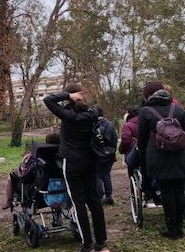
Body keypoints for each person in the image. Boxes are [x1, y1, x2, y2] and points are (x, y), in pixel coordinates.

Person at [43, 84, 109, 252]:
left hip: (72, 162)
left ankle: (87, 244)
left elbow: (48, 100)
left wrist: (66, 95)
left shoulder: (68, 116)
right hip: (89, 160)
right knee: (94, 200)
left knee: (78, 202)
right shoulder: (92, 114)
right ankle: (101, 242)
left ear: (71, 97)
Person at [138, 83, 185, 240]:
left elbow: (141, 140)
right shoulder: (177, 109)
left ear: (148, 95)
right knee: (179, 190)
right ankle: (180, 227)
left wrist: (144, 150)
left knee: (167, 192)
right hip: (180, 155)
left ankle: (172, 230)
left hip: (158, 156)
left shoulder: (145, 111)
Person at [2, 132, 60, 210]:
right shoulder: (63, 154)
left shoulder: (39, 153)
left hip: (39, 188)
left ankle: (7, 202)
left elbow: (25, 173)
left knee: (11, 177)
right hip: (59, 187)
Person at [94, 106, 118, 205]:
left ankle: (100, 197)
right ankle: (109, 195)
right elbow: (115, 139)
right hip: (109, 154)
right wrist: (112, 150)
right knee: (106, 175)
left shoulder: (92, 125)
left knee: (98, 176)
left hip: (96, 154)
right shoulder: (109, 124)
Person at [119, 107, 139, 178]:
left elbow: (125, 140)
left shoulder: (127, 125)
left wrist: (121, 150)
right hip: (145, 152)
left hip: (132, 153)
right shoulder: (144, 121)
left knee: (132, 174)